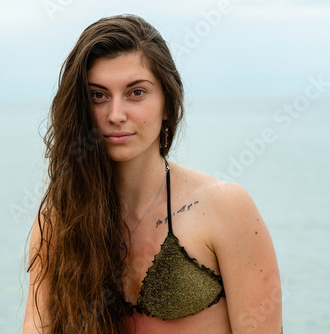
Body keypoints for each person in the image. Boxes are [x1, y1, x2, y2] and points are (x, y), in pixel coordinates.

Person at [22, 14, 282, 334]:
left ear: (167, 104)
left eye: (136, 93)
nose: (116, 115)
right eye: (98, 95)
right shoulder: (60, 222)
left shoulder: (224, 208)